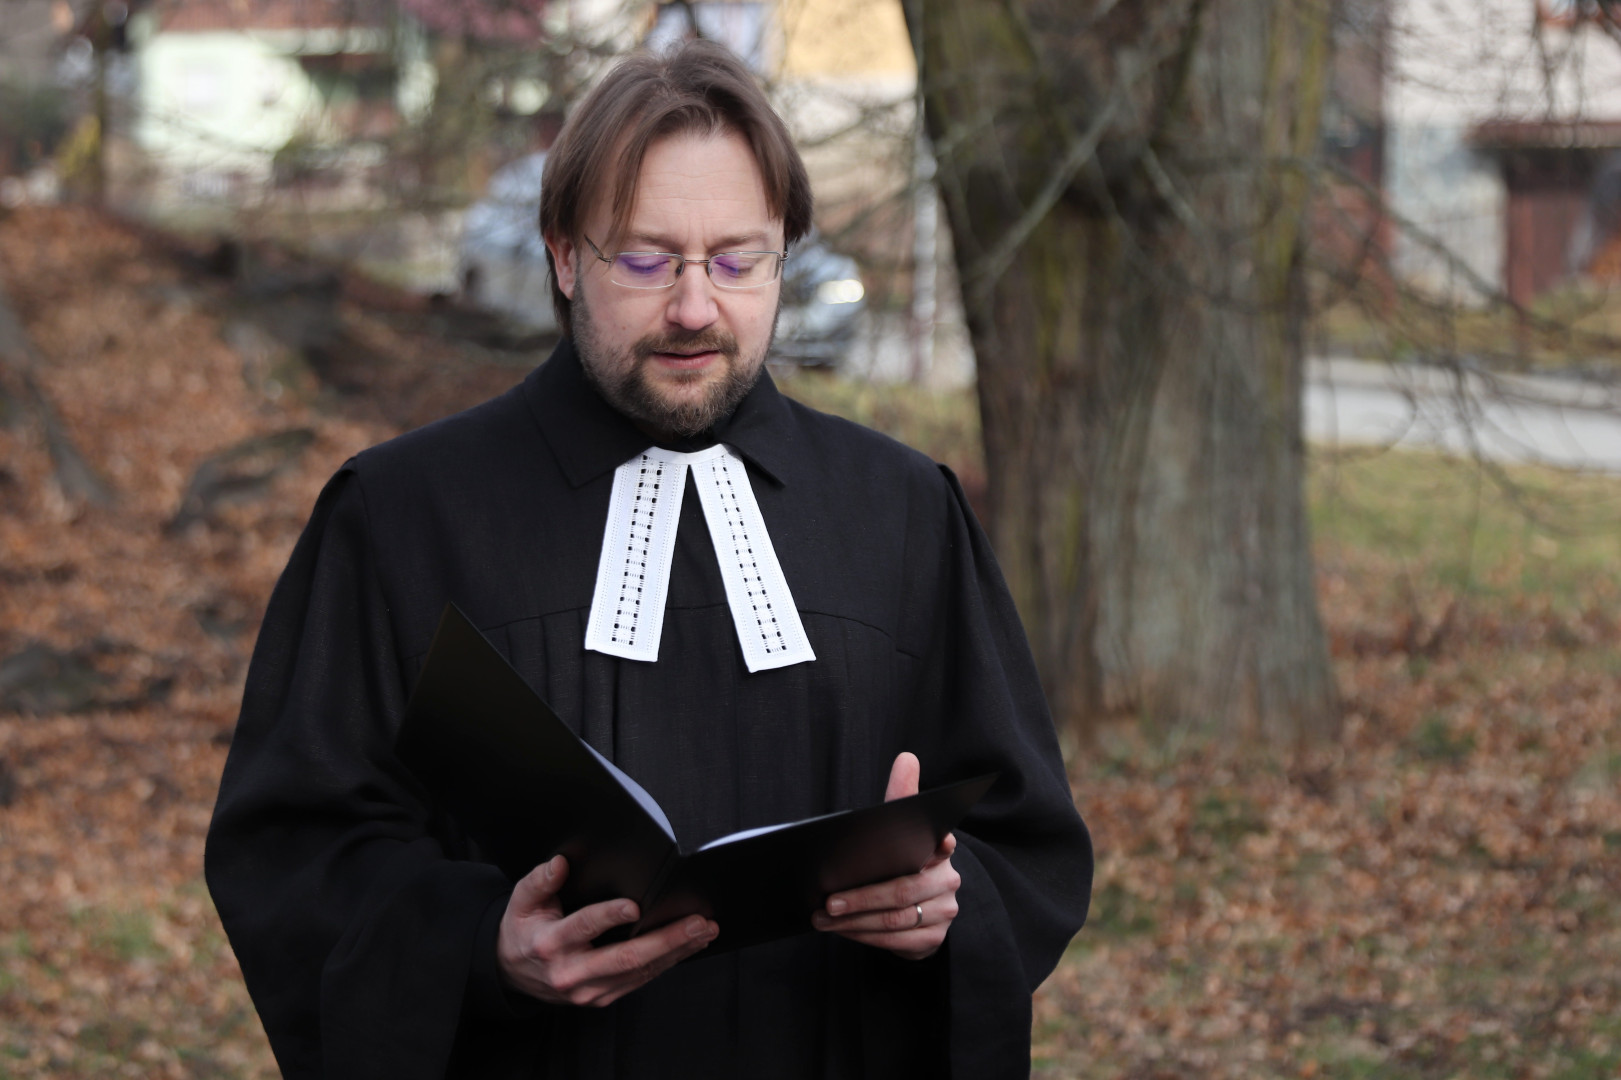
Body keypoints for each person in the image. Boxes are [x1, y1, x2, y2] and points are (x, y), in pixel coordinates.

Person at [206, 40, 1092, 1080]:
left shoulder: (901, 512)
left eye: (738, 261)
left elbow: (1025, 845)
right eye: (643, 259)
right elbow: (291, 852)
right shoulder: (401, 515)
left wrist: (947, 902)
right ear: (563, 256)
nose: (693, 308)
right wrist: (479, 947)